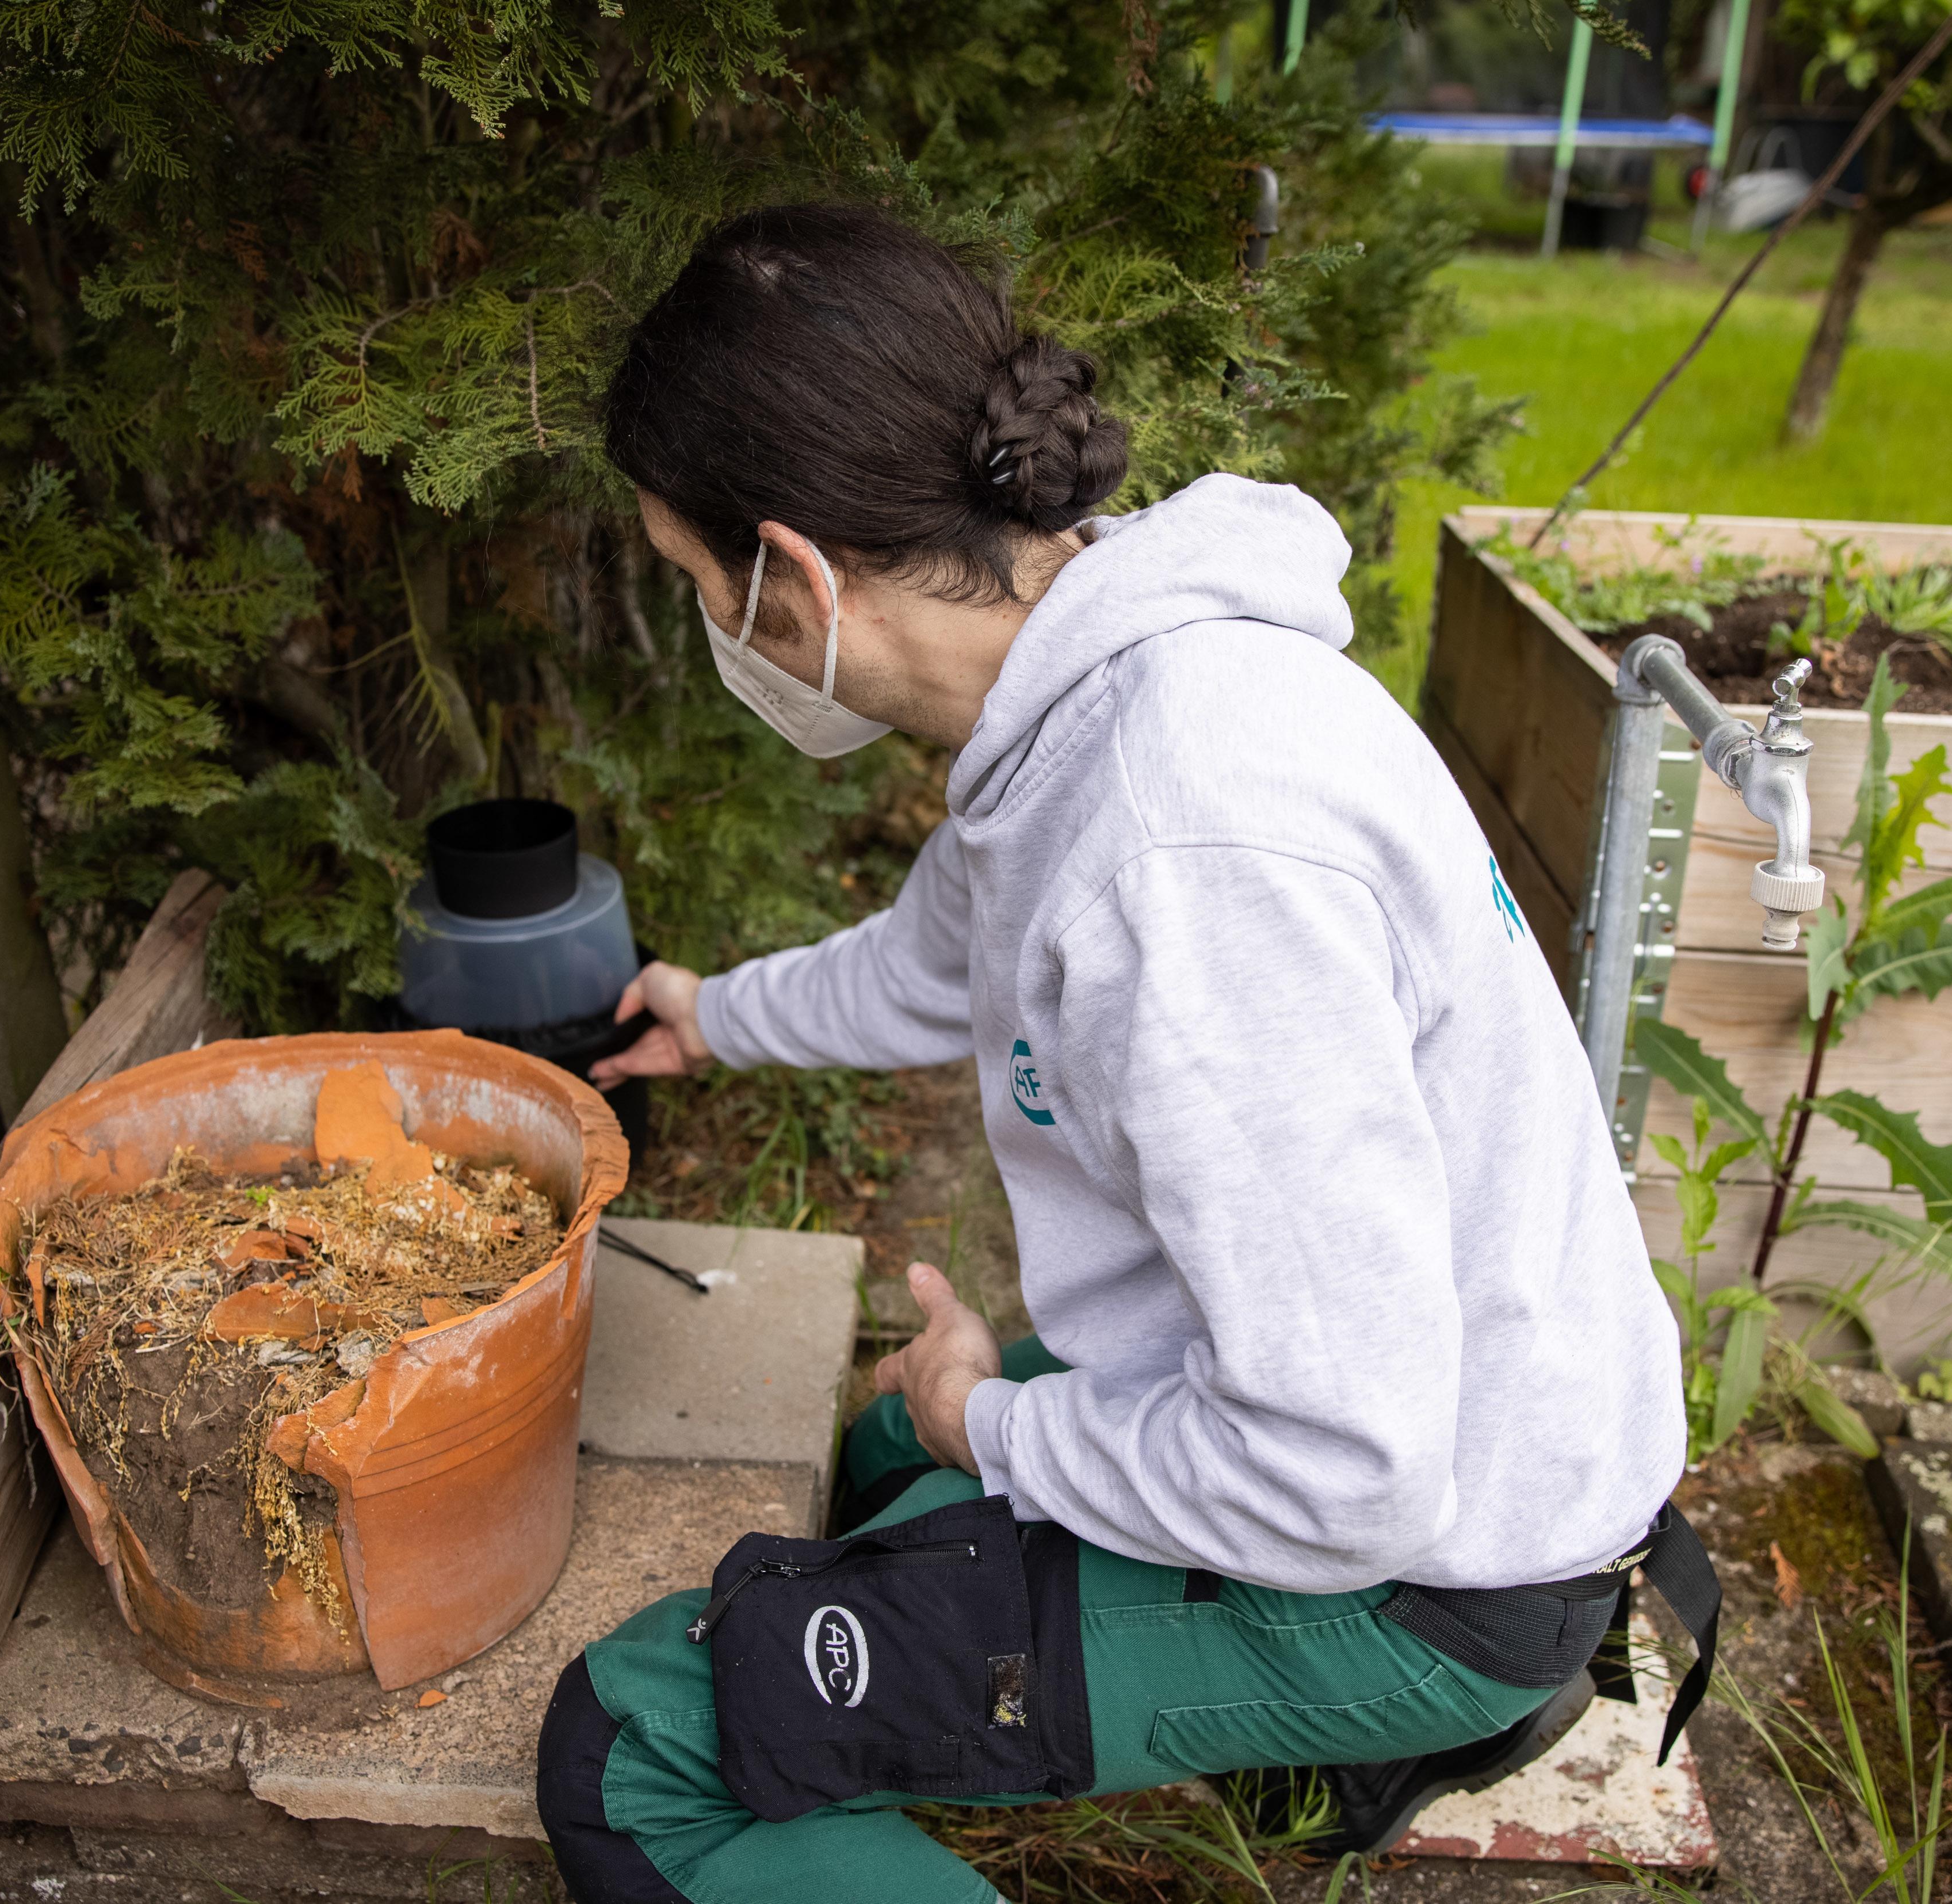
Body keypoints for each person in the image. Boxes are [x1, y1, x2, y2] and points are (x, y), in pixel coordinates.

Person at [535, 201, 1705, 1904]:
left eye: (693, 583)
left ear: (787, 575)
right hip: (1441, 1423)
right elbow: (944, 956)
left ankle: (1395, 1712)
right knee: (879, 1454)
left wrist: (996, 1426)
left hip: (1424, 1568)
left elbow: (1341, 1475)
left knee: (639, 1746)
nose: (712, 624)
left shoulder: (1184, 857)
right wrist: (713, 1016)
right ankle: (1154, 1685)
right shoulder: (1109, 670)